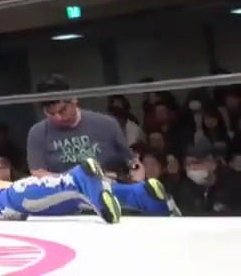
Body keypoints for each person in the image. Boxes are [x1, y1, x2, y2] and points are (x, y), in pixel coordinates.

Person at [26, 75, 174, 215]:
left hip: (110, 189)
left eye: (62, 110)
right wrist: (77, 182)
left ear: (74, 99)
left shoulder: (106, 124)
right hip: (66, 197)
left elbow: (132, 162)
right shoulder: (38, 132)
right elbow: (38, 172)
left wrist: (135, 179)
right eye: (51, 114)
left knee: (140, 194)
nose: (58, 117)